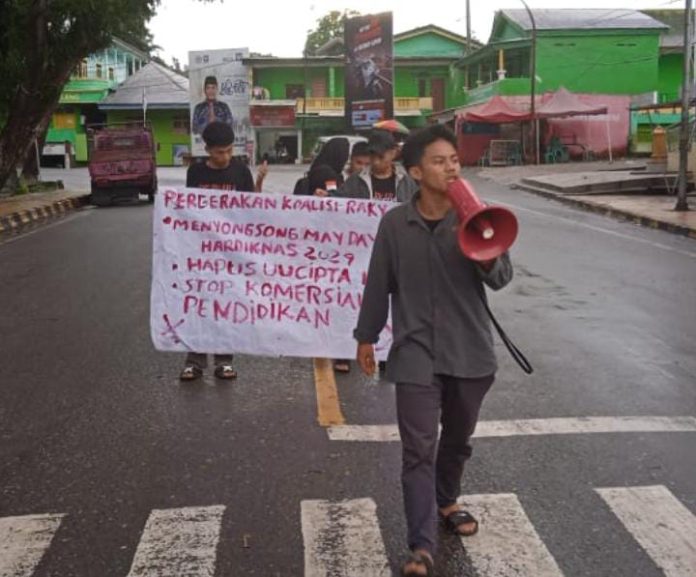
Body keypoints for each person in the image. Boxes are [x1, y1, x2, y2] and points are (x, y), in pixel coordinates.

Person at [353, 125, 513, 576]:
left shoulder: (478, 217)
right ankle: (421, 546)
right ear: (416, 171)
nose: (451, 168)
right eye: (440, 162)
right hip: (415, 352)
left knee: (457, 441)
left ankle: (447, 500)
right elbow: (379, 283)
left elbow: (500, 278)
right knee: (417, 449)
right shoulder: (393, 224)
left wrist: (479, 234)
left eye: (455, 161)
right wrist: (365, 336)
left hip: (470, 353)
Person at [180, 121, 259, 382]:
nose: (225, 157)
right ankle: (195, 361)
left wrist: (259, 183)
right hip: (202, 252)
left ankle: (224, 361)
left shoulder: (241, 172)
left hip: (231, 254)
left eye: (228, 151)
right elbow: (189, 211)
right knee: (200, 305)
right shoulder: (196, 173)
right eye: (218, 153)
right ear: (207, 150)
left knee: (227, 305)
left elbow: (252, 210)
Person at [337, 129, 418, 202]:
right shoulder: (356, 179)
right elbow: (340, 199)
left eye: (381, 157)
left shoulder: (405, 180)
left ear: (393, 153)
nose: (376, 162)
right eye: (372, 156)